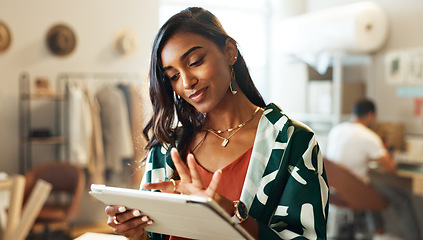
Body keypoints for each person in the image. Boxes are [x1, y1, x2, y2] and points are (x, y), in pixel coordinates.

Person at [105, 7, 329, 240]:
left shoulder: (293, 141)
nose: (187, 82)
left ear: (230, 51)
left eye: (195, 61)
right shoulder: (166, 148)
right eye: (173, 76)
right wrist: (136, 233)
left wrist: (229, 213)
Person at [325, 99, 422, 240]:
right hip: (357, 190)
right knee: (401, 199)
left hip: (334, 190)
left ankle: (379, 232)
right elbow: (389, 168)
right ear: (371, 115)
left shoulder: (336, 130)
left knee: (372, 187)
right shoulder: (369, 137)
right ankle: (414, 237)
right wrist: (390, 156)